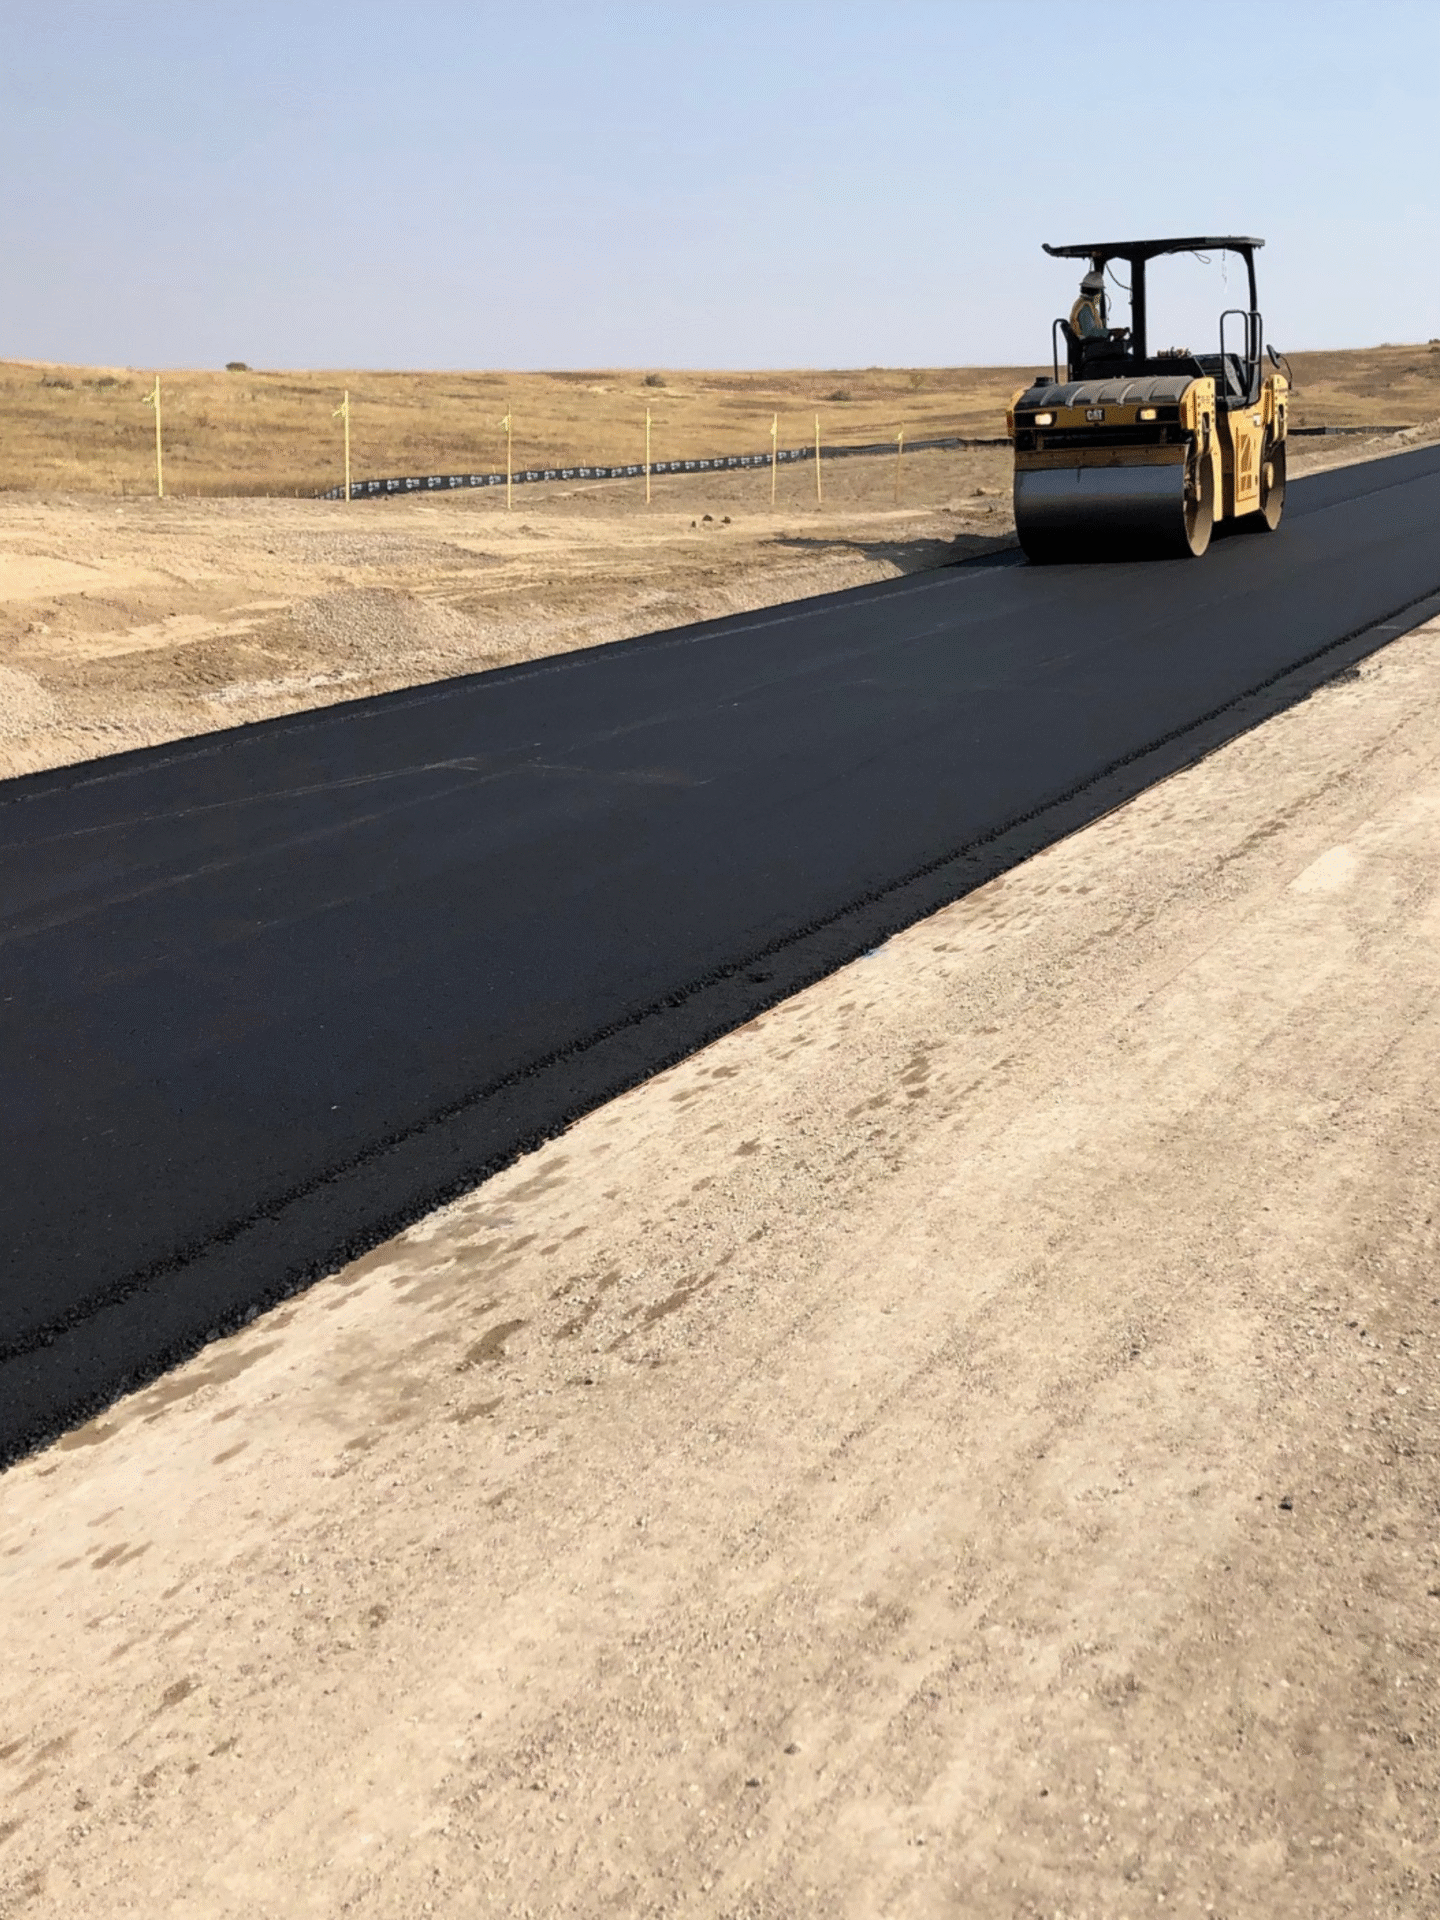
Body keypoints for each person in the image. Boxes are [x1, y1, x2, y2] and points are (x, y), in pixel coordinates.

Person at [1069, 268, 1109, 339]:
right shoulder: (1085, 308)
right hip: (1090, 346)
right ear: (1095, 292)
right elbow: (1090, 333)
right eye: (1099, 292)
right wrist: (1110, 332)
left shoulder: (1081, 304)